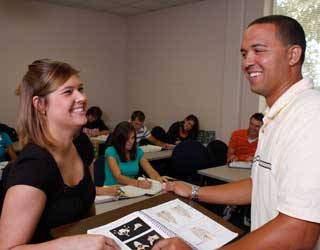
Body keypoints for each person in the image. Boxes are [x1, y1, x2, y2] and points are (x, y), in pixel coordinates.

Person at [152, 15, 320, 250]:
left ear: (293, 55)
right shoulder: (275, 115)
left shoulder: (310, 113)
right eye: (244, 54)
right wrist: (194, 191)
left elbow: (300, 231)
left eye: (258, 50)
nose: (247, 62)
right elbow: (259, 185)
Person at [0, 59, 119, 249]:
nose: (81, 97)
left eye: (80, 88)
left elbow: (88, 206)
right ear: (40, 105)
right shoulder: (33, 167)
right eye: (68, 92)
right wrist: (71, 244)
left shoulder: (82, 144)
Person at [104, 121, 166, 188]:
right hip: (111, 190)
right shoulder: (110, 151)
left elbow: (150, 171)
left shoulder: (138, 151)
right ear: (120, 139)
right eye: (127, 139)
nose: (130, 142)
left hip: (131, 188)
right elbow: (118, 177)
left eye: (132, 138)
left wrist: (158, 178)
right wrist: (138, 183)